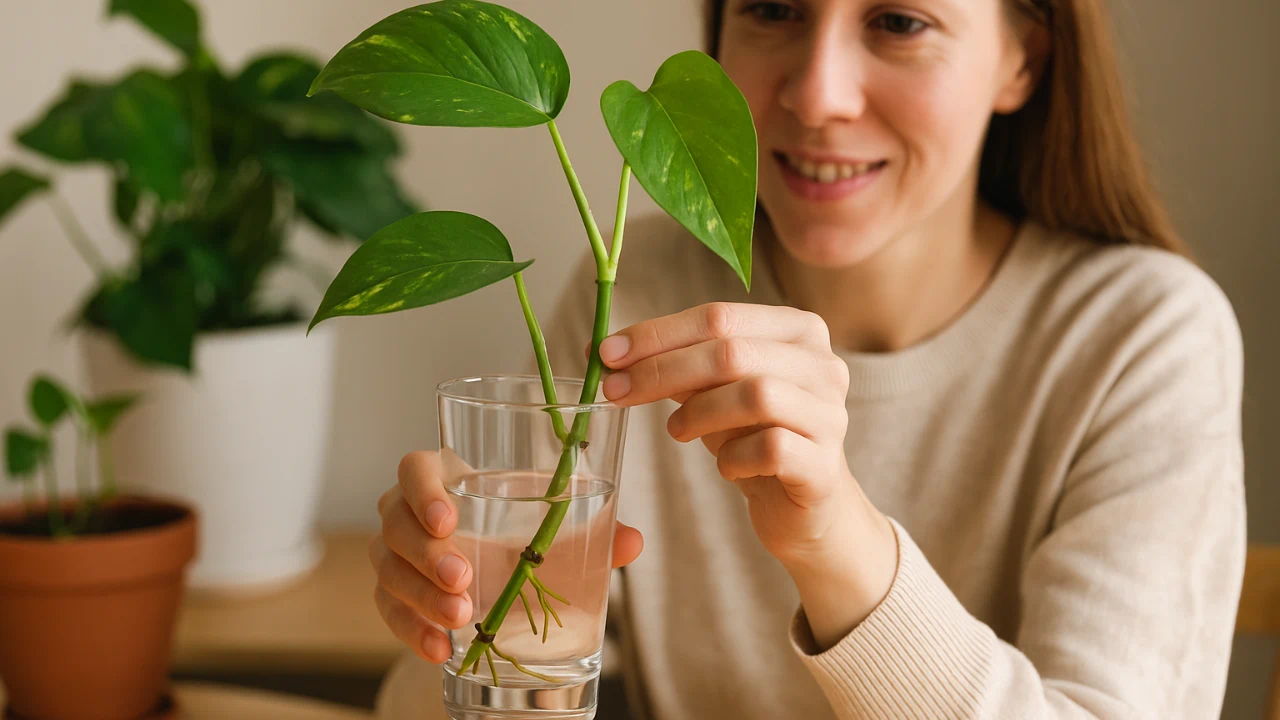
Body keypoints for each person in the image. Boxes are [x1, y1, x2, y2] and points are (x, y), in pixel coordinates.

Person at [369, 0, 1246, 717]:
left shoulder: (1140, 337)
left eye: (899, 23)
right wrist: (449, 620)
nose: (818, 92)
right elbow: (530, 678)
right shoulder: (636, 291)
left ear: (1024, 60)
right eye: (775, 9)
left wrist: (838, 544)